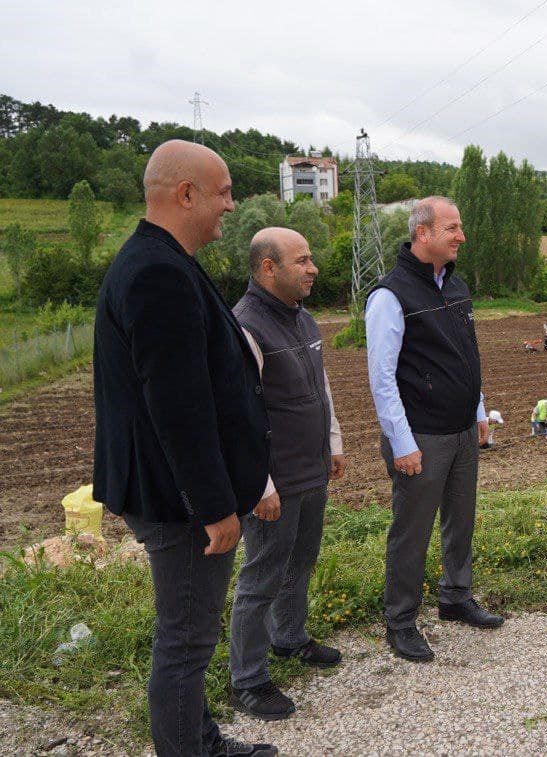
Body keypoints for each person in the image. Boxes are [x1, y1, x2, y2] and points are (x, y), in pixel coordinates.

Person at [92, 140, 277, 757]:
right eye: (224, 191)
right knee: (187, 641)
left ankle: (199, 737)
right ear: (186, 194)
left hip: (175, 491)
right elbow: (178, 408)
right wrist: (214, 508)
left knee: (189, 633)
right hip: (179, 501)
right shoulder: (157, 273)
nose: (232, 204)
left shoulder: (162, 260)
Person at [366, 196, 503, 663]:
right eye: (453, 228)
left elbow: (468, 354)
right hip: (421, 435)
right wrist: (402, 442)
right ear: (423, 233)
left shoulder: (456, 285)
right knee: (412, 529)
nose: (461, 236)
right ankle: (401, 620)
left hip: (462, 428)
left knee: (460, 519)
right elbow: (382, 377)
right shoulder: (390, 294)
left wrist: (479, 410)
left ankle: (455, 597)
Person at [227, 228, 347, 721]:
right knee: (261, 576)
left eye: (311, 257)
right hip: (273, 480)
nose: (313, 267)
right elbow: (237, 416)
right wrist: (260, 484)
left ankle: (290, 638)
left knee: (301, 559)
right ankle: (248, 681)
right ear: (268, 268)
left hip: (311, 467)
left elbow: (320, 386)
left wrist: (334, 442)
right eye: (302, 260)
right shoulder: (245, 327)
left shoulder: (303, 318)